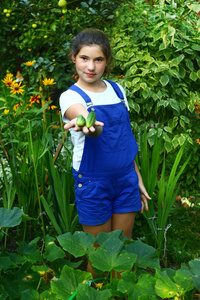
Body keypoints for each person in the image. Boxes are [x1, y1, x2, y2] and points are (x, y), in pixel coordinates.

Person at [59, 28, 151, 275]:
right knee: (99, 255)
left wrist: (137, 177)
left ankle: (118, 293)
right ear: (74, 58)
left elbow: (124, 140)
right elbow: (85, 119)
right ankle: (92, 291)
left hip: (125, 180)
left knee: (119, 252)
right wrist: (88, 125)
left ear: (106, 61)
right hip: (93, 183)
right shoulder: (69, 97)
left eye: (98, 60)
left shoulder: (118, 91)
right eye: (84, 59)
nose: (91, 67)